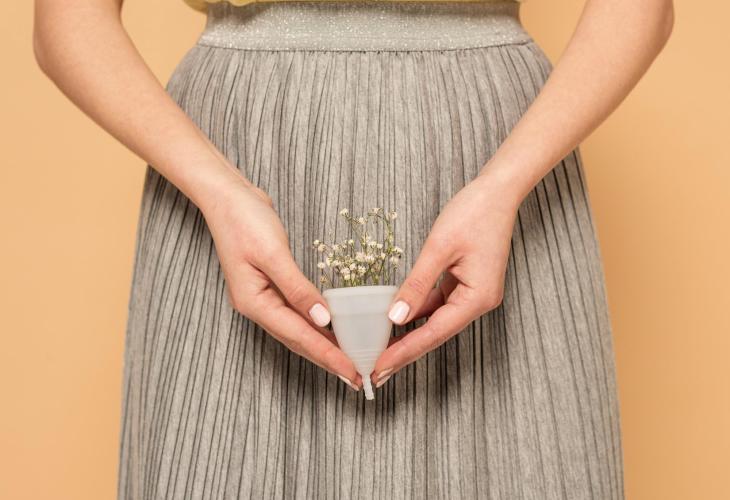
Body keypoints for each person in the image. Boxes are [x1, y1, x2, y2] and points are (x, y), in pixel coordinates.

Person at [34, 0, 673, 497]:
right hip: (233, 155)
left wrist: (504, 184)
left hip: (496, 151)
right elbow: (68, 22)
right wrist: (216, 189)